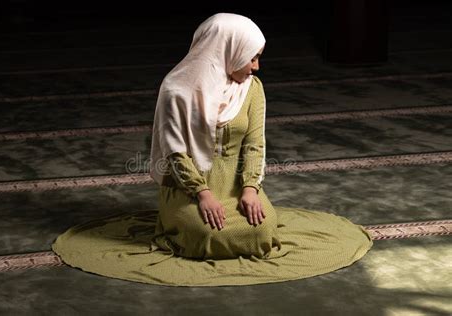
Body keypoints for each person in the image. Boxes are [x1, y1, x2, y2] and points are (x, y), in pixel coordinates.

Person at [52, 13, 373, 286]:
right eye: (252, 57)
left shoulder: (252, 89)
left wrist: (249, 188)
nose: (256, 67)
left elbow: (254, 144)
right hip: (187, 184)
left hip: (235, 180)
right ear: (226, 50)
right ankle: (181, 220)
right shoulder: (177, 90)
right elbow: (176, 153)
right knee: (205, 235)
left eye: (258, 57)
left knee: (260, 231)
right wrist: (203, 194)